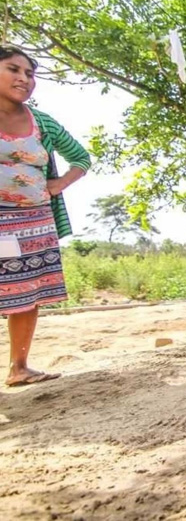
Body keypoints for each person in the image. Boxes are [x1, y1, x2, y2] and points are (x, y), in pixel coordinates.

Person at [0, 46, 90, 386]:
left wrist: (58, 184)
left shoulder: (43, 123)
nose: (24, 78)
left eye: (29, 73)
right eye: (14, 70)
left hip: (32, 223)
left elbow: (81, 158)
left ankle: (19, 367)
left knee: (26, 292)